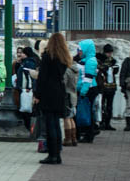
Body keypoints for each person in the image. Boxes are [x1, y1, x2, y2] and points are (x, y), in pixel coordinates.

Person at [33, 32, 72, 165]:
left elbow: (42, 78)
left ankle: (52, 154)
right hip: (59, 92)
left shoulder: (47, 56)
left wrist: (37, 95)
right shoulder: (64, 58)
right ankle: (57, 154)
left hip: (48, 93)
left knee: (50, 124)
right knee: (56, 124)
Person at [75, 40, 99, 143]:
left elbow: (88, 79)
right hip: (85, 89)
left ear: (86, 49)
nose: (78, 52)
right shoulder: (85, 60)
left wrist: (83, 92)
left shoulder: (91, 61)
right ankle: (86, 133)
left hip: (89, 90)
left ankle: (89, 134)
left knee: (88, 112)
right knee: (86, 111)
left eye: (80, 50)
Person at [96, 44, 119, 131]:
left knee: (109, 106)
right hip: (102, 86)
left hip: (111, 86)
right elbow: (99, 70)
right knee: (101, 105)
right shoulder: (99, 60)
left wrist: (115, 69)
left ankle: (108, 123)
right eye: (108, 53)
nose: (109, 54)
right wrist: (105, 68)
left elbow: (114, 72)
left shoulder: (113, 61)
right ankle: (101, 122)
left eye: (111, 53)